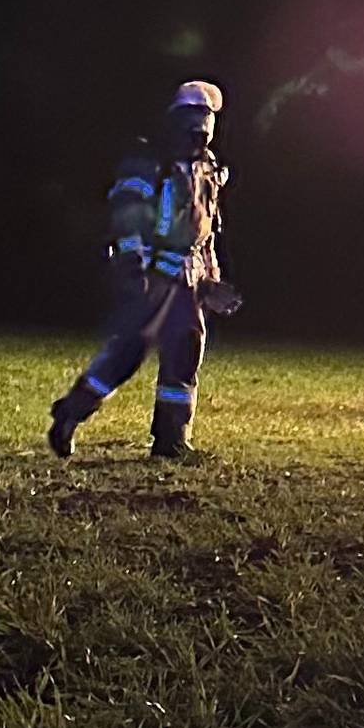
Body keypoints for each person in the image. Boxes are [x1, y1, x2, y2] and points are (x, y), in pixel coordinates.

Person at [47, 81, 243, 459]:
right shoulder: (148, 160)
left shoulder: (207, 168)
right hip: (149, 277)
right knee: (126, 354)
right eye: (195, 120)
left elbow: (208, 227)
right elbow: (127, 215)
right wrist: (130, 266)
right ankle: (71, 412)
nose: (201, 130)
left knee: (185, 356)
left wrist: (211, 277)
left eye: (206, 121)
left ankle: (171, 440)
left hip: (187, 279)